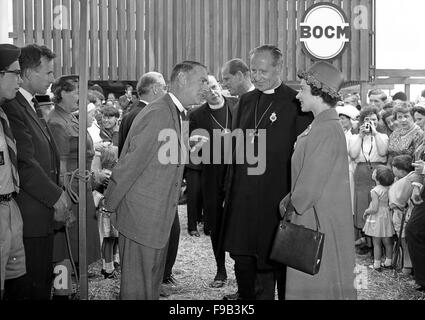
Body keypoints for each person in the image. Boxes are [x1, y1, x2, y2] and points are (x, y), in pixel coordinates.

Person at [103, 61, 208, 300]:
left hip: (154, 219)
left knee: (148, 288)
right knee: (138, 291)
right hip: (142, 220)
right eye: (202, 80)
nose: (206, 87)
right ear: (181, 78)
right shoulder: (160, 113)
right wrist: (109, 205)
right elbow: (129, 165)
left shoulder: (175, 111)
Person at [219, 45, 313, 300]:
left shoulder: (296, 103)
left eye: (263, 70)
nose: (257, 76)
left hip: (276, 197)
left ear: (278, 68)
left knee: (279, 259)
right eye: (253, 70)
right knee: (242, 256)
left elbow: (303, 158)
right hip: (243, 197)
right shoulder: (246, 100)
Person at [279, 61, 356, 300]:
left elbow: (310, 184)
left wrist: (290, 204)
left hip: (316, 217)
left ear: (318, 92)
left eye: (302, 89)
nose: (298, 95)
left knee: (317, 280)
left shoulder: (324, 128)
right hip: (316, 213)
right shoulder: (323, 125)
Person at [2, 44, 72, 300]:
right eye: (48, 72)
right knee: (29, 287)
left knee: (42, 280)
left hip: (39, 211)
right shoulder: (12, 105)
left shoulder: (29, 103)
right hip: (29, 212)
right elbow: (25, 162)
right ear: (29, 73)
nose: (52, 79)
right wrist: (55, 196)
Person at [189, 75, 238, 288]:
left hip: (238, 172)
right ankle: (220, 270)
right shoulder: (197, 115)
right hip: (212, 174)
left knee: (238, 220)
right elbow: (194, 151)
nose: (214, 92)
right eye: (208, 90)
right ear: (202, 94)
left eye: (215, 87)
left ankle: (241, 269)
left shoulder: (237, 105)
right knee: (215, 223)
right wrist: (199, 145)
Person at [47, 75, 100, 270]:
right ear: (62, 93)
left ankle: (74, 283)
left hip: (80, 186)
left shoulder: (70, 117)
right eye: (77, 92)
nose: (81, 96)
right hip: (70, 190)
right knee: (67, 244)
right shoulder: (56, 122)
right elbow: (57, 165)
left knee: (79, 242)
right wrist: (64, 199)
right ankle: (65, 289)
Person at [0, 44, 25, 300]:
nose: (20, 79)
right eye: (14, 73)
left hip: (10, 206)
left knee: (14, 283)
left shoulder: (3, 113)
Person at [348, 106, 389, 254]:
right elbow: (353, 154)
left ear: (378, 121)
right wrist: (360, 135)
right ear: (361, 122)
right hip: (361, 171)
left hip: (379, 170)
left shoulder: (383, 136)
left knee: (378, 203)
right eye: (367, 119)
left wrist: (375, 133)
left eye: (373, 119)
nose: (370, 122)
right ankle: (368, 241)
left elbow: (383, 152)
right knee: (362, 203)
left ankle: (376, 242)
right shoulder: (354, 137)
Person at [118, 72, 167, 156]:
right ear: (155, 89)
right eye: (165, 88)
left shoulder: (129, 115)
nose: (166, 92)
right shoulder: (149, 115)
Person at [389, 155, 417, 275]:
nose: (392, 170)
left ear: (400, 170)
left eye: (393, 168)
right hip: (405, 217)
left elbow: (399, 201)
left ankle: (407, 267)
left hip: (404, 217)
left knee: (405, 244)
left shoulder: (406, 182)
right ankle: (407, 266)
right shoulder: (408, 179)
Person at [363, 165, 395, 272]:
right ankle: (388, 262)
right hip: (386, 216)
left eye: (374, 172)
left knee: (376, 242)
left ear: (377, 177)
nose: (372, 172)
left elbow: (375, 208)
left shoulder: (375, 191)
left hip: (377, 218)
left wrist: (367, 211)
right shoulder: (389, 188)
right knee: (387, 241)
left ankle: (377, 265)